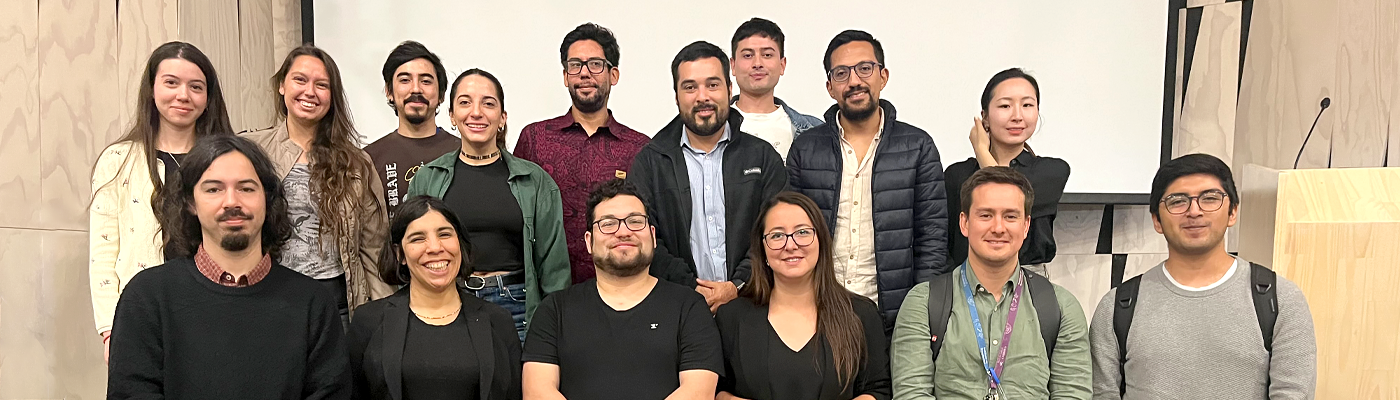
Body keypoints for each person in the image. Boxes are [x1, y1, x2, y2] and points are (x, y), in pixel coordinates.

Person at [107, 135, 348, 398]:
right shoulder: (147, 297)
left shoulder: (313, 304)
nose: (232, 201)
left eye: (247, 189)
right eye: (214, 189)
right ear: (190, 202)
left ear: (267, 199)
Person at [1089, 154, 1316, 399]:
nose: (1194, 211)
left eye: (1210, 199)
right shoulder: (1117, 306)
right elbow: (1103, 393)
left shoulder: (1280, 299)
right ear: (1157, 220)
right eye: (1178, 201)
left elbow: (1292, 393)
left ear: (1232, 212)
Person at [786, 30, 947, 331]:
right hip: (819, 312)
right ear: (830, 87)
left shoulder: (917, 146)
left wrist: (922, 312)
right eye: (841, 73)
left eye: (864, 68)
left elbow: (932, 238)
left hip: (894, 318)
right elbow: (791, 233)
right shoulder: (805, 149)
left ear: (883, 77)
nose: (854, 81)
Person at [89, 41, 233, 363]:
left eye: (196, 87)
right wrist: (111, 330)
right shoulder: (118, 161)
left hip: (217, 310)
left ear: (208, 98)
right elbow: (103, 252)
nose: (183, 95)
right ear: (152, 90)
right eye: (171, 82)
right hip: (141, 315)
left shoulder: (228, 161)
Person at [891, 167, 1090, 399]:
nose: (998, 228)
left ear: (1026, 225)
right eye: (985, 215)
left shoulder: (1061, 307)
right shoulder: (923, 303)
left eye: (1010, 216)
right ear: (964, 223)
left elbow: (1073, 393)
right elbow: (911, 393)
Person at [406, 68, 570, 341]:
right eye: (465, 102)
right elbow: (411, 252)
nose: (476, 112)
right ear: (452, 116)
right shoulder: (427, 179)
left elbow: (554, 268)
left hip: (517, 306)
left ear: (502, 118)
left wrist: (554, 332)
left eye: (488, 104)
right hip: (447, 302)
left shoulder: (535, 181)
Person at [523, 179, 722, 399]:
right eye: (608, 224)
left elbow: (698, 392)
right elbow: (537, 391)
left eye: (635, 221)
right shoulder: (554, 310)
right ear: (589, 241)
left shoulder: (690, 307)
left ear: (653, 235)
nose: (623, 232)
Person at [629, 40, 788, 312]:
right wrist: (691, 289)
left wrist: (737, 285)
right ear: (676, 96)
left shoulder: (762, 158)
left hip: (754, 306)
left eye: (712, 85)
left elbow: (779, 231)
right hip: (676, 311)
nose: (702, 97)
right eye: (690, 87)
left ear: (729, 89)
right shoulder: (651, 162)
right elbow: (643, 238)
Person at [243, 45, 392, 325]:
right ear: (282, 86)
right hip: (268, 302)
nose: (310, 92)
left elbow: (373, 248)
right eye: (300, 80)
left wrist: (382, 317)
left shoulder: (356, 162)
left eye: (321, 85)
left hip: (337, 307)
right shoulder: (251, 152)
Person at [715, 191, 891, 400]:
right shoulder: (732, 318)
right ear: (762, 250)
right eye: (777, 235)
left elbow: (878, 389)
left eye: (802, 232)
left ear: (821, 240)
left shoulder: (861, 314)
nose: (790, 245)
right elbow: (714, 390)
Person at [348, 195, 522, 400]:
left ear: (460, 244)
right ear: (399, 254)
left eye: (445, 234)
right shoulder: (369, 322)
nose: (435, 247)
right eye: (418, 238)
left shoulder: (498, 321)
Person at [515, 22, 650, 284]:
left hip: (621, 286)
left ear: (613, 75)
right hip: (548, 289)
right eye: (575, 65)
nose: (584, 73)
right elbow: (516, 213)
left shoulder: (639, 147)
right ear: (566, 76)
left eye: (595, 64)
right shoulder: (535, 139)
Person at [944, 68, 1070, 277]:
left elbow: (1006, 195)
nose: (1017, 116)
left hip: (1030, 281)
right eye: (1005, 106)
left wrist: (982, 151)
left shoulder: (1051, 171)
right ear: (984, 117)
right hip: (967, 280)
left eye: (1027, 105)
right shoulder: (958, 175)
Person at [363, 41, 460, 221]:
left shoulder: (462, 153)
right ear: (389, 91)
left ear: (441, 94)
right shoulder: (367, 160)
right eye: (405, 80)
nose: (416, 89)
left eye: (426, 81)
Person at [728, 17, 824, 159]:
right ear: (733, 65)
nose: (757, 64)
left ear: (782, 65)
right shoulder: (712, 127)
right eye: (748, 55)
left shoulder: (816, 131)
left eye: (767, 55)